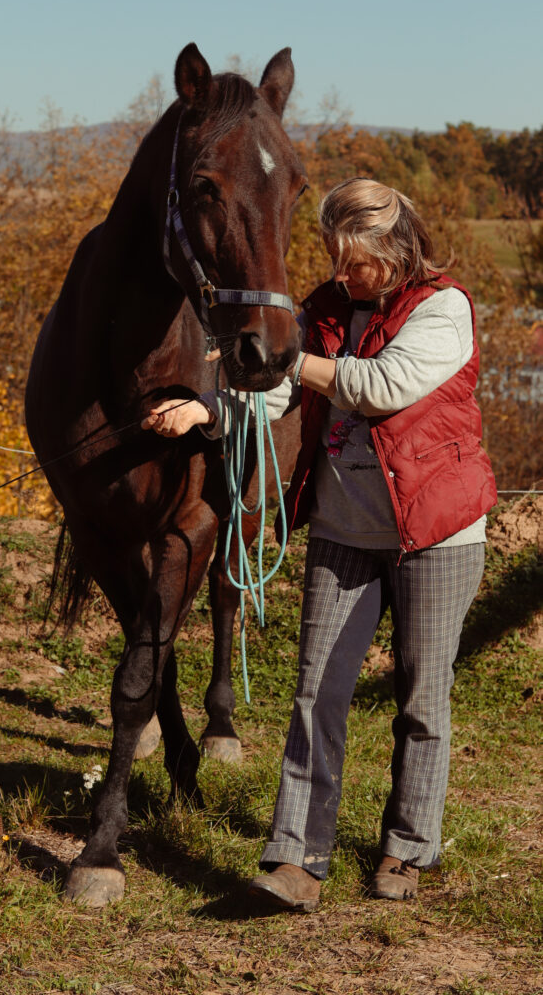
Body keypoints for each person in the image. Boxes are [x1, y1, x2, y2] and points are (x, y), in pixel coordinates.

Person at [143, 177, 497, 908]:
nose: (341, 273)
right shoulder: (325, 309)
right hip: (342, 529)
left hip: (434, 533)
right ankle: (296, 860)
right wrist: (205, 408)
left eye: (353, 260)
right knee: (314, 695)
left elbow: (381, 385)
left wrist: (286, 359)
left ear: (394, 249)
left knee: (420, 698)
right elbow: (271, 397)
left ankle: (406, 848)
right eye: (333, 257)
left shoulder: (444, 307)